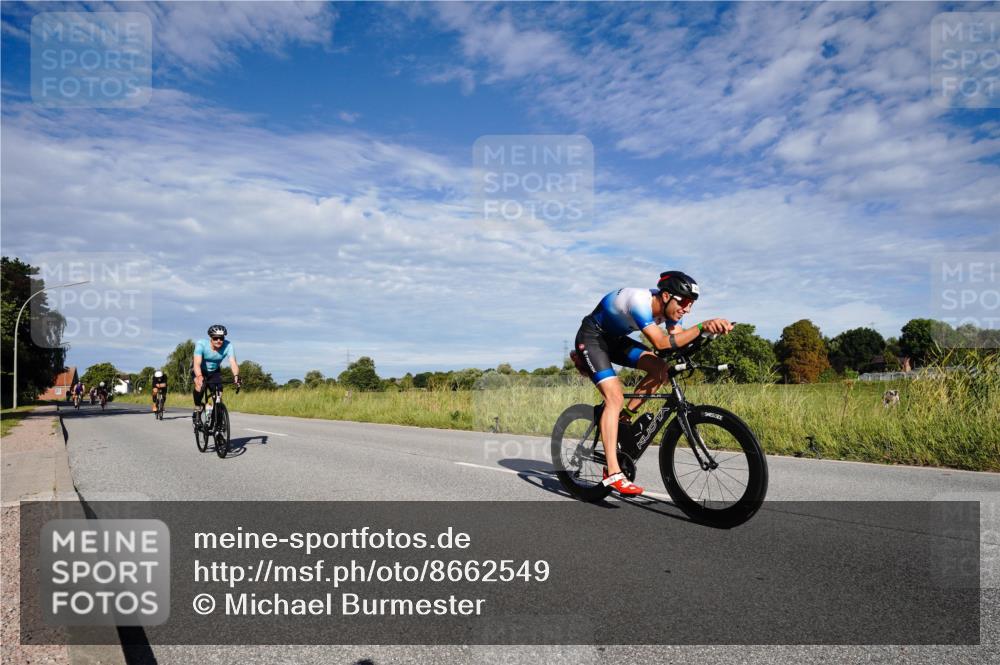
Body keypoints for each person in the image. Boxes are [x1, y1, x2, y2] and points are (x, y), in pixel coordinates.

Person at [571, 271, 733, 496]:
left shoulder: (673, 313)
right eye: (684, 302)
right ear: (666, 296)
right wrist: (702, 326)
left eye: (692, 304)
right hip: (592, 337)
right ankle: (612, 473)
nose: (687, 309)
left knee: (660, 370)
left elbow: (678, 342)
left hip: (616, 340)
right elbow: (661, 342)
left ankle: (623, 416)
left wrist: (708, 333)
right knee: (614, 396)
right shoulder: (639, 302)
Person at [192, 324, 240, 424]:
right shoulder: (201, 344)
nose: (219, 341)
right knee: (199, 385)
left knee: (218, 396)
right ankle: (198, 407)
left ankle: (217, 422)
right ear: (211, 338)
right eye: (215, 338)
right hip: (200, 370)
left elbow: (233, 362)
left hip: (214, 372)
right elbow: (196, 363)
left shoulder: (228, 346)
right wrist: (199, 376)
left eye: (221, 338)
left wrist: (236, 376)